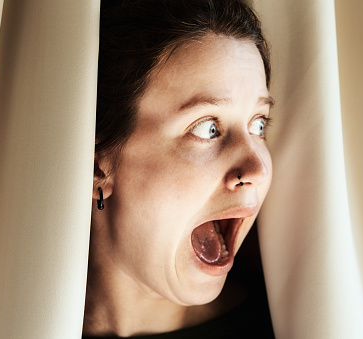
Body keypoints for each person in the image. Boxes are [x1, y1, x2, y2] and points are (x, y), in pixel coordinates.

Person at [82, 0, 275, 337]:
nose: (257, 168)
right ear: (98, 165)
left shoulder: (293, 323)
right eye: (207, 128)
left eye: (258, 125)